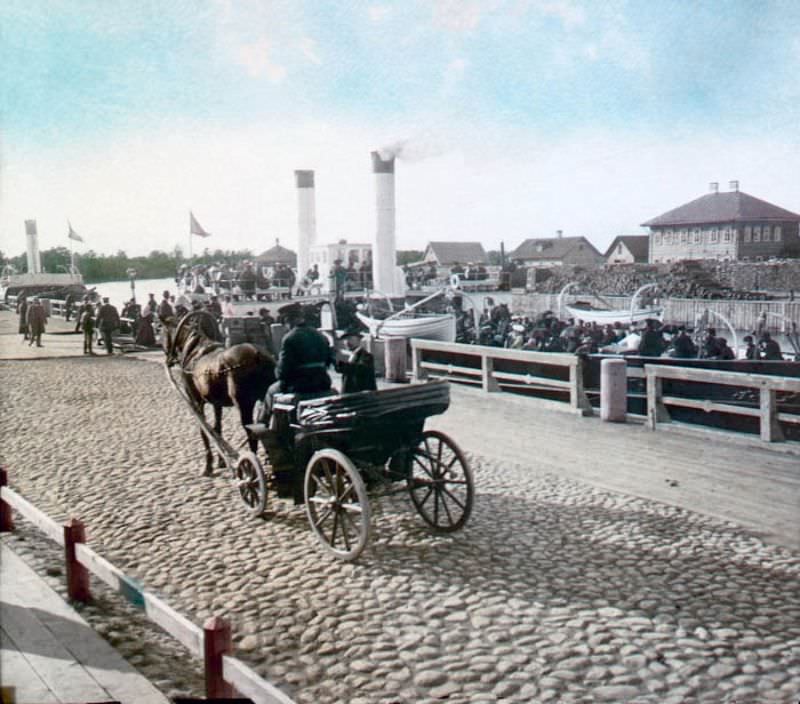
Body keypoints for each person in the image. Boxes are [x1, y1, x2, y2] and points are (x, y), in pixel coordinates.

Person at [262, 311, 335, 422]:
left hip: (300, 385)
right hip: (323, 382)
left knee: (271, 390)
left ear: (288, 322)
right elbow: (329, 361)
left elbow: (282, 371)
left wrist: (278, 372)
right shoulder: (320, 335)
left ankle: (265, 424)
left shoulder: (289, 338)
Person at [336, 328, 377, 394]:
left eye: (350, 339)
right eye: (345, 339)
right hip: (351, 398)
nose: (347, 342)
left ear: (359, 340)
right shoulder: (350, 356)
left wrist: (339, 364)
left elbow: (359, 369)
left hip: (362, 399)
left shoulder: (366, 356)